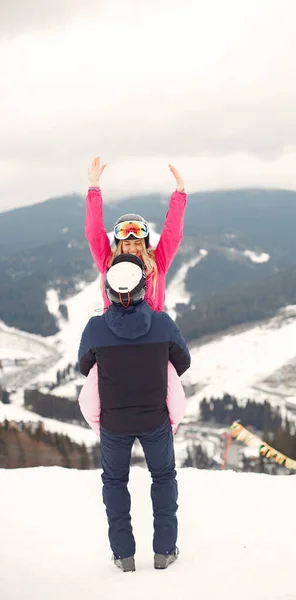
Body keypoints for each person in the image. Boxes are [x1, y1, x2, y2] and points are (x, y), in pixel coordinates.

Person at [78, 254, 191, 572]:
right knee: (164, 478)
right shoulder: (163, 324)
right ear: (145, 286)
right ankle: (165, 551)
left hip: (113, 424)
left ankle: (123, 556)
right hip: (156, 419)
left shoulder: (95, 328)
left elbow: (86, 366)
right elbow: (182, 361)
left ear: (109, 290)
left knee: (114, 483)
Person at [79, 156, 187, 433]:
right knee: (88, 397)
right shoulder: (107, 263)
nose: (133, 247)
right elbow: (93, 234)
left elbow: (173, 235)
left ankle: (167, 430)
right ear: (118, 244)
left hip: (152, 338)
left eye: (137, 242)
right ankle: (105, 431)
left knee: (176, 396)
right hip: (113, 337)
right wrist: (94, 188)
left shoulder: (157, 263)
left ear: (145, 243)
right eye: (126, 242)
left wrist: (179, 194)